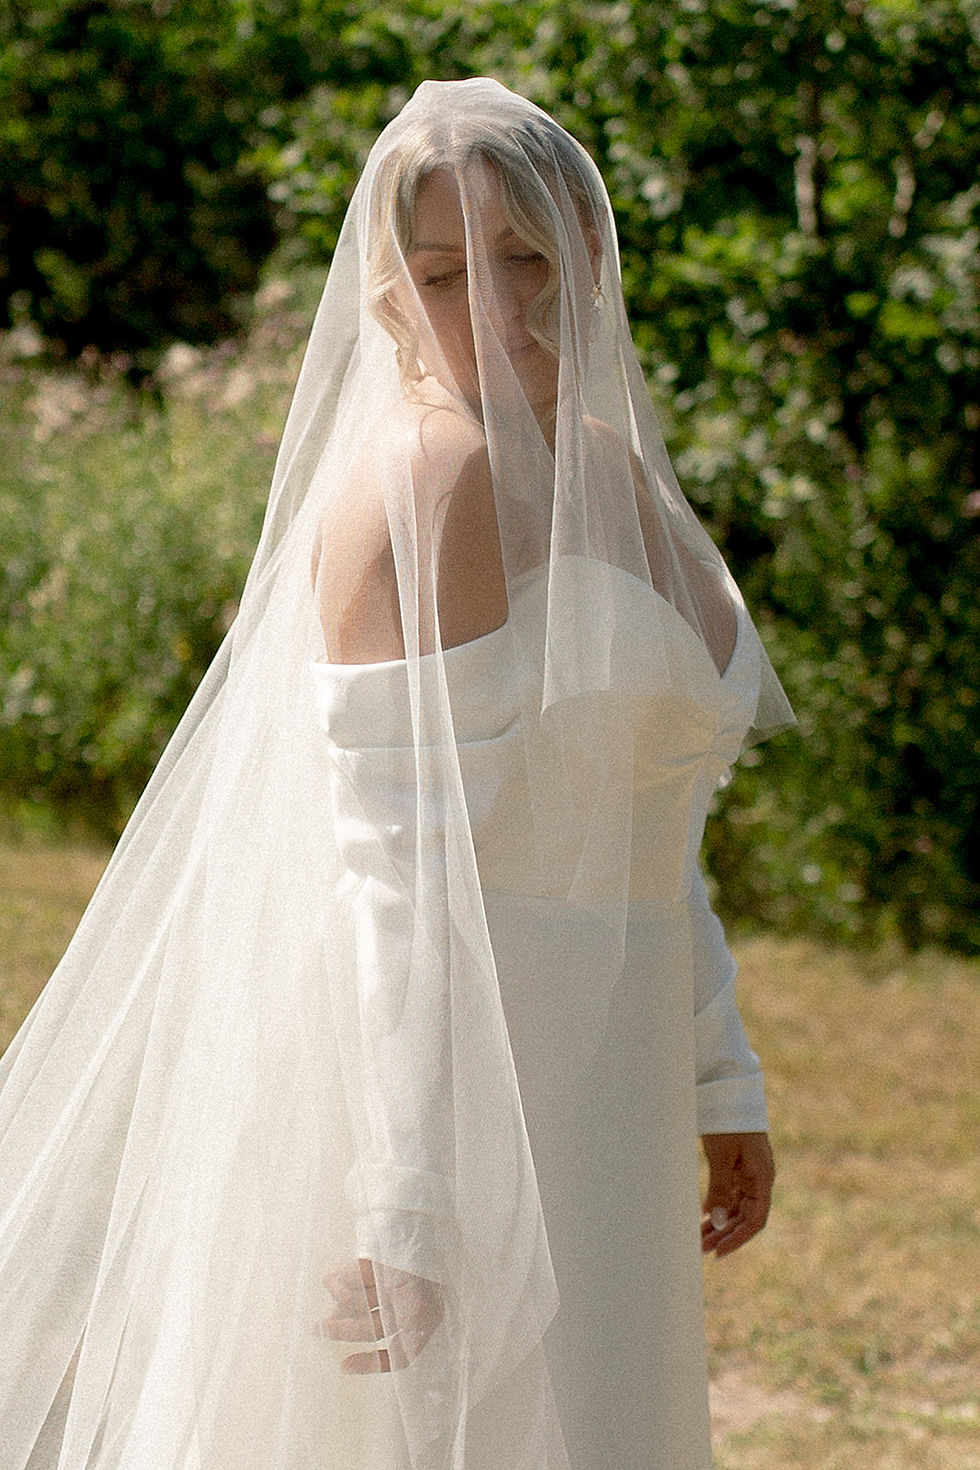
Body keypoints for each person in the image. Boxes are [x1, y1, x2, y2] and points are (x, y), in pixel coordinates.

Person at [0, 78, 793, 1470]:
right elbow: (395, 880)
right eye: (441, 270)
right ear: (384, 296)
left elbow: (652, 831)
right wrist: (410, 1204)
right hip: (445, 1076)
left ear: (594, 256)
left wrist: (722, 1081)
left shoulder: (610, 471)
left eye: (528, 254)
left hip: (608, 1076)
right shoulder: (426, 482)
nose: (494, 300)